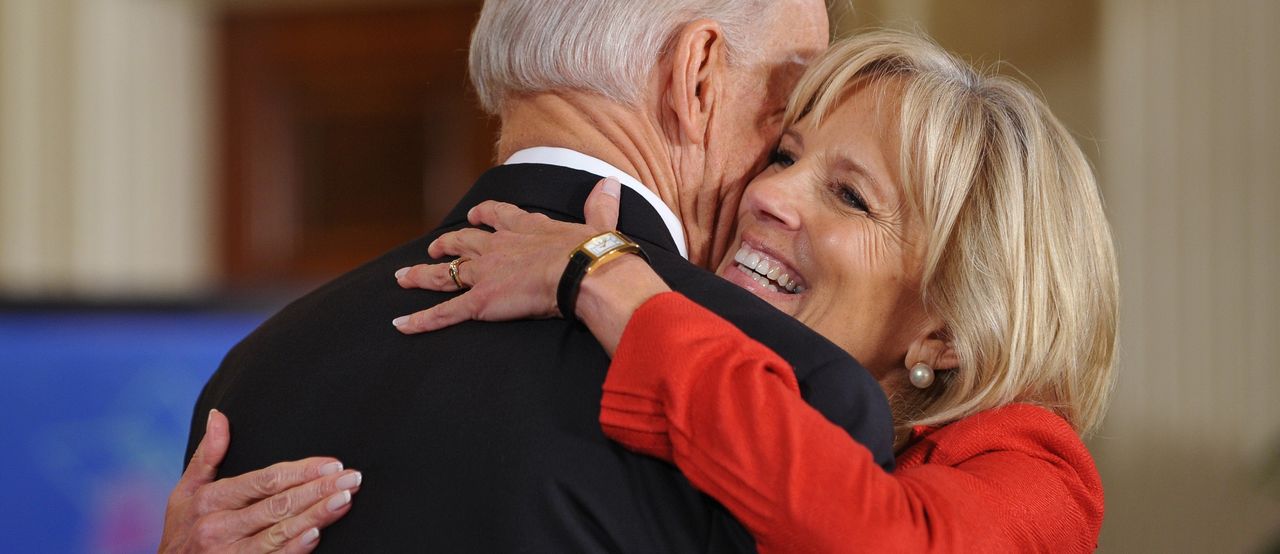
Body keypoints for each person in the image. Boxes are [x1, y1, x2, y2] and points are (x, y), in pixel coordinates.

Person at [160, 0, 894, 551]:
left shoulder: (255, 374)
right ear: (697, 75)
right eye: (787, 104)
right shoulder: (796, 395)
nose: (774, 182)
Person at [392, 31, 1118, 552]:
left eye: (850, 196)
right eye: (784, 154)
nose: (768, 192)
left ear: (947, 333)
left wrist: (606, 279)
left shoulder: (1036, 476)